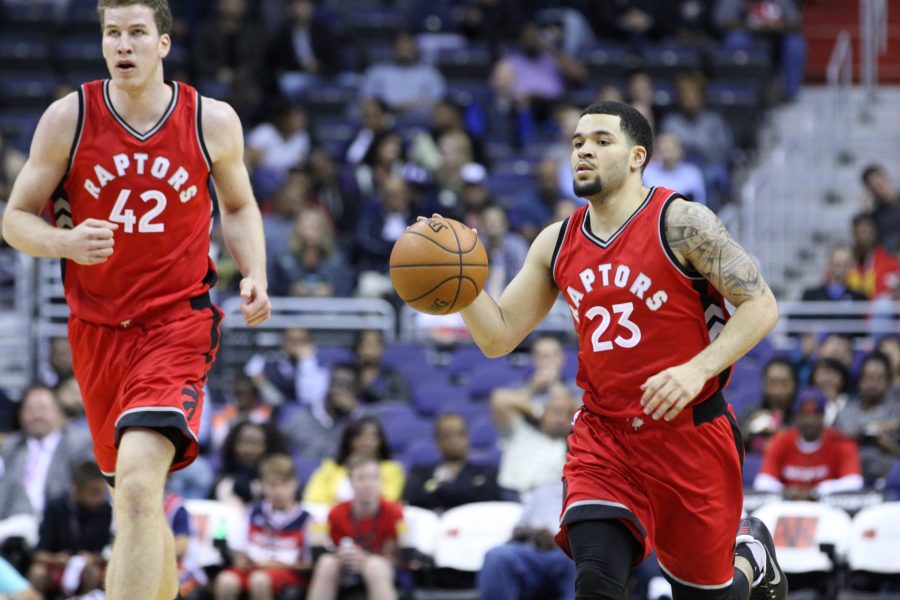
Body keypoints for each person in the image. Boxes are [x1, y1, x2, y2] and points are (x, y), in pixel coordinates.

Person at [437, 101, 784, 599]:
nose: (584, 151)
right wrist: (464, 282)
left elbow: (761, 305)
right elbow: (499, 337)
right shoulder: (554, 242)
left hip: (690, 435)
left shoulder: (682, 223)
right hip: (605, 438)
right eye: (578, 142)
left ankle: (748, 555)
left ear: (638, 155)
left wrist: (696, 369)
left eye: (601, 141)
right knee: (596, 582)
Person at [3, 4, 273, 597]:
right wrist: (64, 241)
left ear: (164, 44)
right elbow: (14, 220)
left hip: (177, 324)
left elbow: (237, 205)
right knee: (133, 505)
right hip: (97, 331)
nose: (122, 45)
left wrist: (254, 271)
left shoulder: (211, 120)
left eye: (136, 33)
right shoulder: (67, 118)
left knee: (136, 489)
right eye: (112, 33)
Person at [214, 454, 313, 600]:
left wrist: (276, 565)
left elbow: (310, 565)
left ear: (295, 483)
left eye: (284, 483)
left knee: (259, 580)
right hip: (253, 569)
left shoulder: (308, 520)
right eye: (272, 485)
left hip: (288, 573)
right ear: (262, 485)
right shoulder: (252, 513)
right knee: (226, 580)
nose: (279, 491)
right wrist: (241, 560)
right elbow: (240, 552)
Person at [307, 456, 404, 600]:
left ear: (381, 481)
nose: (368, 484)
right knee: (327, 563)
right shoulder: (336, 513)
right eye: (361, 478)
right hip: (346, 566)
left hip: (381, 565)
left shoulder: (393, 512)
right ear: (350, 482)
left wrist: (365, 558)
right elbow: (331, 547)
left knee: (374, 566)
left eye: (374, 478)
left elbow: (393, 556)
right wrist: (340, 554)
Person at [753, 388, 863, 499]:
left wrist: (818, 491)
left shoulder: (840, 442)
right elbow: (762, 482)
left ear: (823, 416)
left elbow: (854, 482)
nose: (809, 420)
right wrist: (787, 491)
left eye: (815, 414)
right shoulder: (781, 441)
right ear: (796, 417)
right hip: (788, 508)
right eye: (804, 414)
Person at [477, 482, 576, 600]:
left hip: (571, 551)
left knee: (582, 558)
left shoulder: (593, 487)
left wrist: (563, 539)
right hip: (534, 551)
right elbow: (518, 529)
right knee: (497, 556)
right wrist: (533, 533)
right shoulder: (543, 488)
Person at [27, 461, 112, 598]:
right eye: (94, 492)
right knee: (38, 573)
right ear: (77, 489)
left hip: (87, 569)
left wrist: (93, 558)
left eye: (102, 492)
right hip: (55, 564)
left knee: (95, 572)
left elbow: (106, 552)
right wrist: (56, 559)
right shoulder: (56, 508)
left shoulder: (104, 510)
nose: (99, 498)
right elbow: (38, 554)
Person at [403, 412, 502, 512]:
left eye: (460, 434)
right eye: (447, 436)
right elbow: (413, 501)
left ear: (468, 438)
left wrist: (438, 491)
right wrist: (469, 489)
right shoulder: (420, 474)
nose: (454, 440)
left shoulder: (486, 473)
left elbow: (491, 500)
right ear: (437, 440)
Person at [303, 416, 405, 507]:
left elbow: (389, 500)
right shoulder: (330, 467)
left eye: (372, 438)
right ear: (349, 441)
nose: (366, 443)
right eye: (360, 437)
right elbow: (312, 498)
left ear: (380, 442)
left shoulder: (393, 470)